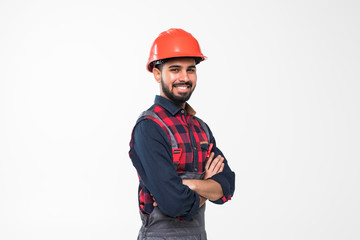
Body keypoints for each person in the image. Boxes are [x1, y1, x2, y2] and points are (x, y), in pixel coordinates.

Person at [129, 28, 235, 240]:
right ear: (157, 73)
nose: (184, 78)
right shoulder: (149, 128)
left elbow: (227, 186)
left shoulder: (201, 128)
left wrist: (190, 184)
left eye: (191, 69)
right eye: (175, 69)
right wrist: (207, 184)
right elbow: (172, 203)